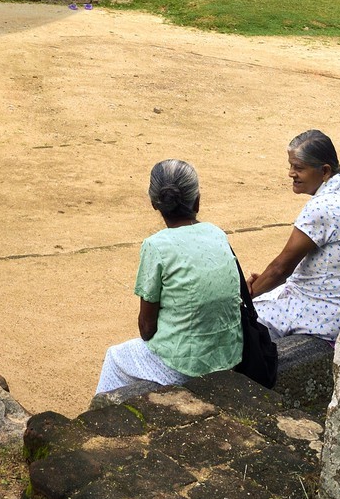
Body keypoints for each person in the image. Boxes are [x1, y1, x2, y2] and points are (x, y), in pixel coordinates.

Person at [95, 160, 242, 394]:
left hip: (185, 365)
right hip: (228, 354)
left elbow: (146, 327)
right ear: (198, 200)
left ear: (155, 203)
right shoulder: (217, 233)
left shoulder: (156, 246)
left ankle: (96, 422)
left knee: (114, 358)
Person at [249, 129, 340, 340]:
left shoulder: (324, 207)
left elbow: (280, 269)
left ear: (324, 171)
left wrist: (246, 295)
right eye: (290, 166)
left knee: (235, 323)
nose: (291, 174)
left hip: (325, 314)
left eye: (298, 168)